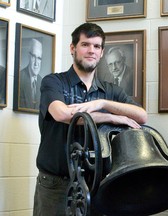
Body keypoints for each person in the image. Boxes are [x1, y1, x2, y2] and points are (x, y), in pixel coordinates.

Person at [33, 23, 147, 216]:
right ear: (73, 48)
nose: (91, 51)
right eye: (85, 45)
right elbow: (62, 114)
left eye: (96, 46)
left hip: (96, 185)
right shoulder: (53, 82)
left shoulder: (110, 91)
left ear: (102, 52)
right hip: (56, 185)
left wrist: (101, 103)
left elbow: (142, 115)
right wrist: (111, 117)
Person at [19, 38, 43, 109]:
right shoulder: (19, 78)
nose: (36, 63)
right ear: (29, 56)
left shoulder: (42, 82)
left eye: (39, 58)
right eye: (34, 56)